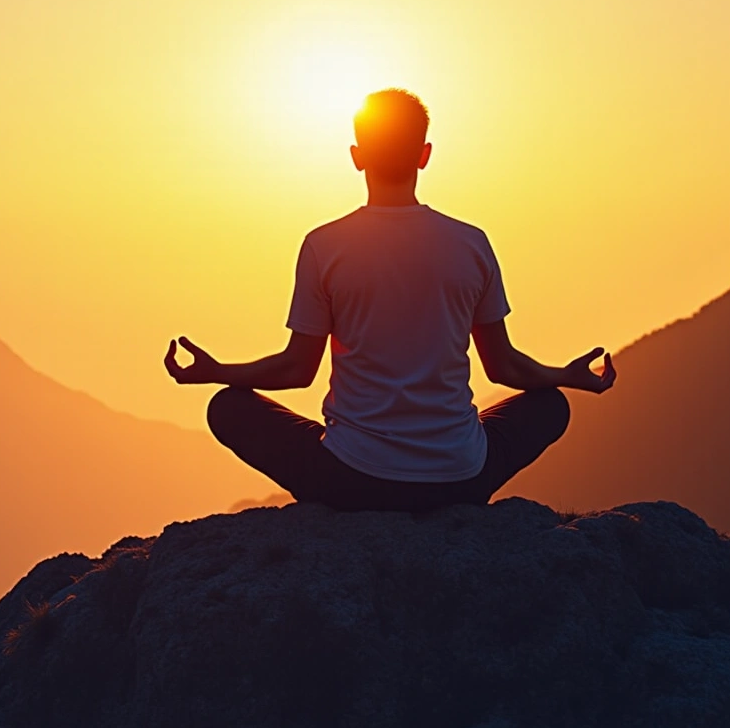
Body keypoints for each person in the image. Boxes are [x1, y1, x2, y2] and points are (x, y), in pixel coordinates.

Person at [164, 88, 615, 512]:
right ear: (424, 155)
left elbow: (296, 370)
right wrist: (567, 376)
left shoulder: (325, 246)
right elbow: (505, 367)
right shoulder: (471, 244)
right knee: (550, 404)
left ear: (357, 157)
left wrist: (215, 371)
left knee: (228, 407)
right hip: (460, 479)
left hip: (351, 481)